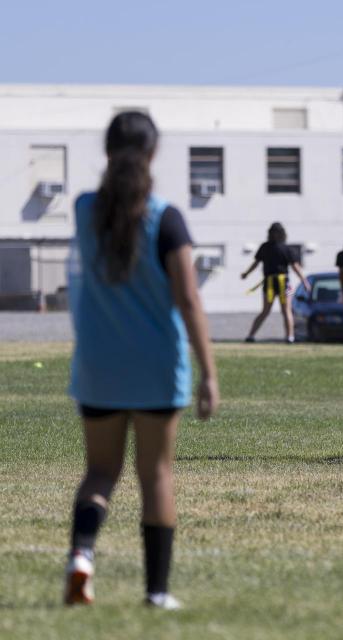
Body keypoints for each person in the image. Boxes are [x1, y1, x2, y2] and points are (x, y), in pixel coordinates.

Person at [64, 111, 219, 610]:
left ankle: (81, 560)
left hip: (99, 367)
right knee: (154, 477)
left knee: (100, 473)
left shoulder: (84, 209)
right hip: (156, 367)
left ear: (107, 153)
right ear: (152, 155)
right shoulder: (166, 218)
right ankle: (156, 592)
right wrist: (209, 373)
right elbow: (190, 300)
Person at [241, 222, 311, 343]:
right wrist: (304, 281)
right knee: (275, 311)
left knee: (281, 311)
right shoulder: (276, 248)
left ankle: (289, 336)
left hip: (280, 282)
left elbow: (295, 266)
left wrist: (304, 281)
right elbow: (295, 267)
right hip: (274, 282)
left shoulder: (272, 247)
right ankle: (287, 337)